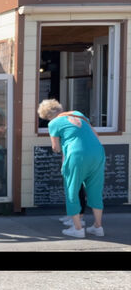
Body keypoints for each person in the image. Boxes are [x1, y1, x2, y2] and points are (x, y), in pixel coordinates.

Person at [37, 99, 105, 238]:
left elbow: (56, 148)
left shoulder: (53, 123)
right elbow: (96, 135)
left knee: (72, 190)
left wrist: (65, 145)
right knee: (95, 190)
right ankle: (98, 227)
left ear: (48, 116)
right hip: (98, 153)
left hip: (77, 156)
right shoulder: (78, 113)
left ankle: (78, 229)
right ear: (59, 108)